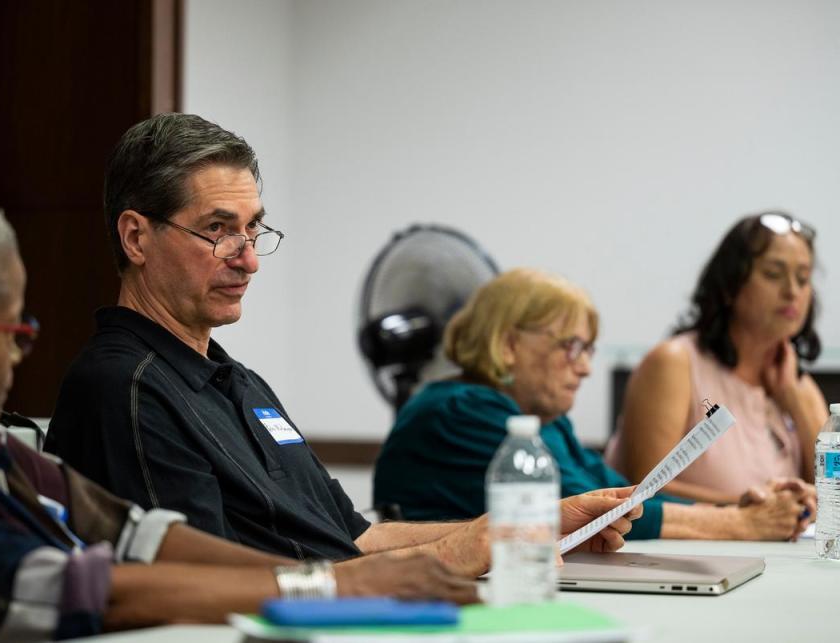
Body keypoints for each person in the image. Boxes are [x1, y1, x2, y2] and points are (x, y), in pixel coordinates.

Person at [0, 183, 481, 642]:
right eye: (14, 329)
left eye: (253, 231)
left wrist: (339, 585)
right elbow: (85, 591)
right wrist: (331, 587)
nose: (19, 354)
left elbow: (139, 533)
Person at [44, 113, 639, 576]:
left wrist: (522, 526)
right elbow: (207, 585)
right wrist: (465, 550)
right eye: (218, 230)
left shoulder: (240, 384)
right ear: (136, 237)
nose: (249, 259)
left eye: (254, 229)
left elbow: (354, 537)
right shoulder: (125, 387)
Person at [373, 268, 813, 541]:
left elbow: (628, 496)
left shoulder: (545, 422)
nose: (584, 369)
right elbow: (588, 513)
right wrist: (741, 525)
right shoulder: (458, 410)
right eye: (572, 346)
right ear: (508, 345)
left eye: (589, 350)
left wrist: (746, 505)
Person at [605, 212, 828, 504]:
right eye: (773, 274)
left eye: (803, 278)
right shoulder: (674, 363)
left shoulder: (799, 387)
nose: (792, 291)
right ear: (728, 286)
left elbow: (832, 495)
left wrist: (793, 401)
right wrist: (750, 512)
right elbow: (644, 493)